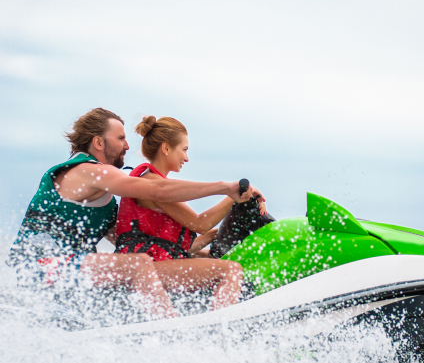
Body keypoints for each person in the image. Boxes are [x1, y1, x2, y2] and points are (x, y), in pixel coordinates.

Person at [7, 108, 264, 318]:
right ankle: (171, 332)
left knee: (142, 260)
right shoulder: (87, 170)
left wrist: (204, 245)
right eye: (120, 139)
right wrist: (225, 188)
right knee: (139, 263)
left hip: (73, 273)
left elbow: (127, 239)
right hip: (38, 268)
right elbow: (158, 191)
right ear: (98, 142)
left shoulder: (104, 198)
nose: (128, 145)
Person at [115, 115, 264, 309]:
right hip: (143, 268)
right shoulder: (151, 184)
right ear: (166, 148)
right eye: (184, 150)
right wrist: (233, 197)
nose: (187, 157)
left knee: (216, 260)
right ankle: (221, 331)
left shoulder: (155, 182)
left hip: (155, 263)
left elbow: (177, 246)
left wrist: (220, 234)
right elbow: (200, 224)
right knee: (230, 270)